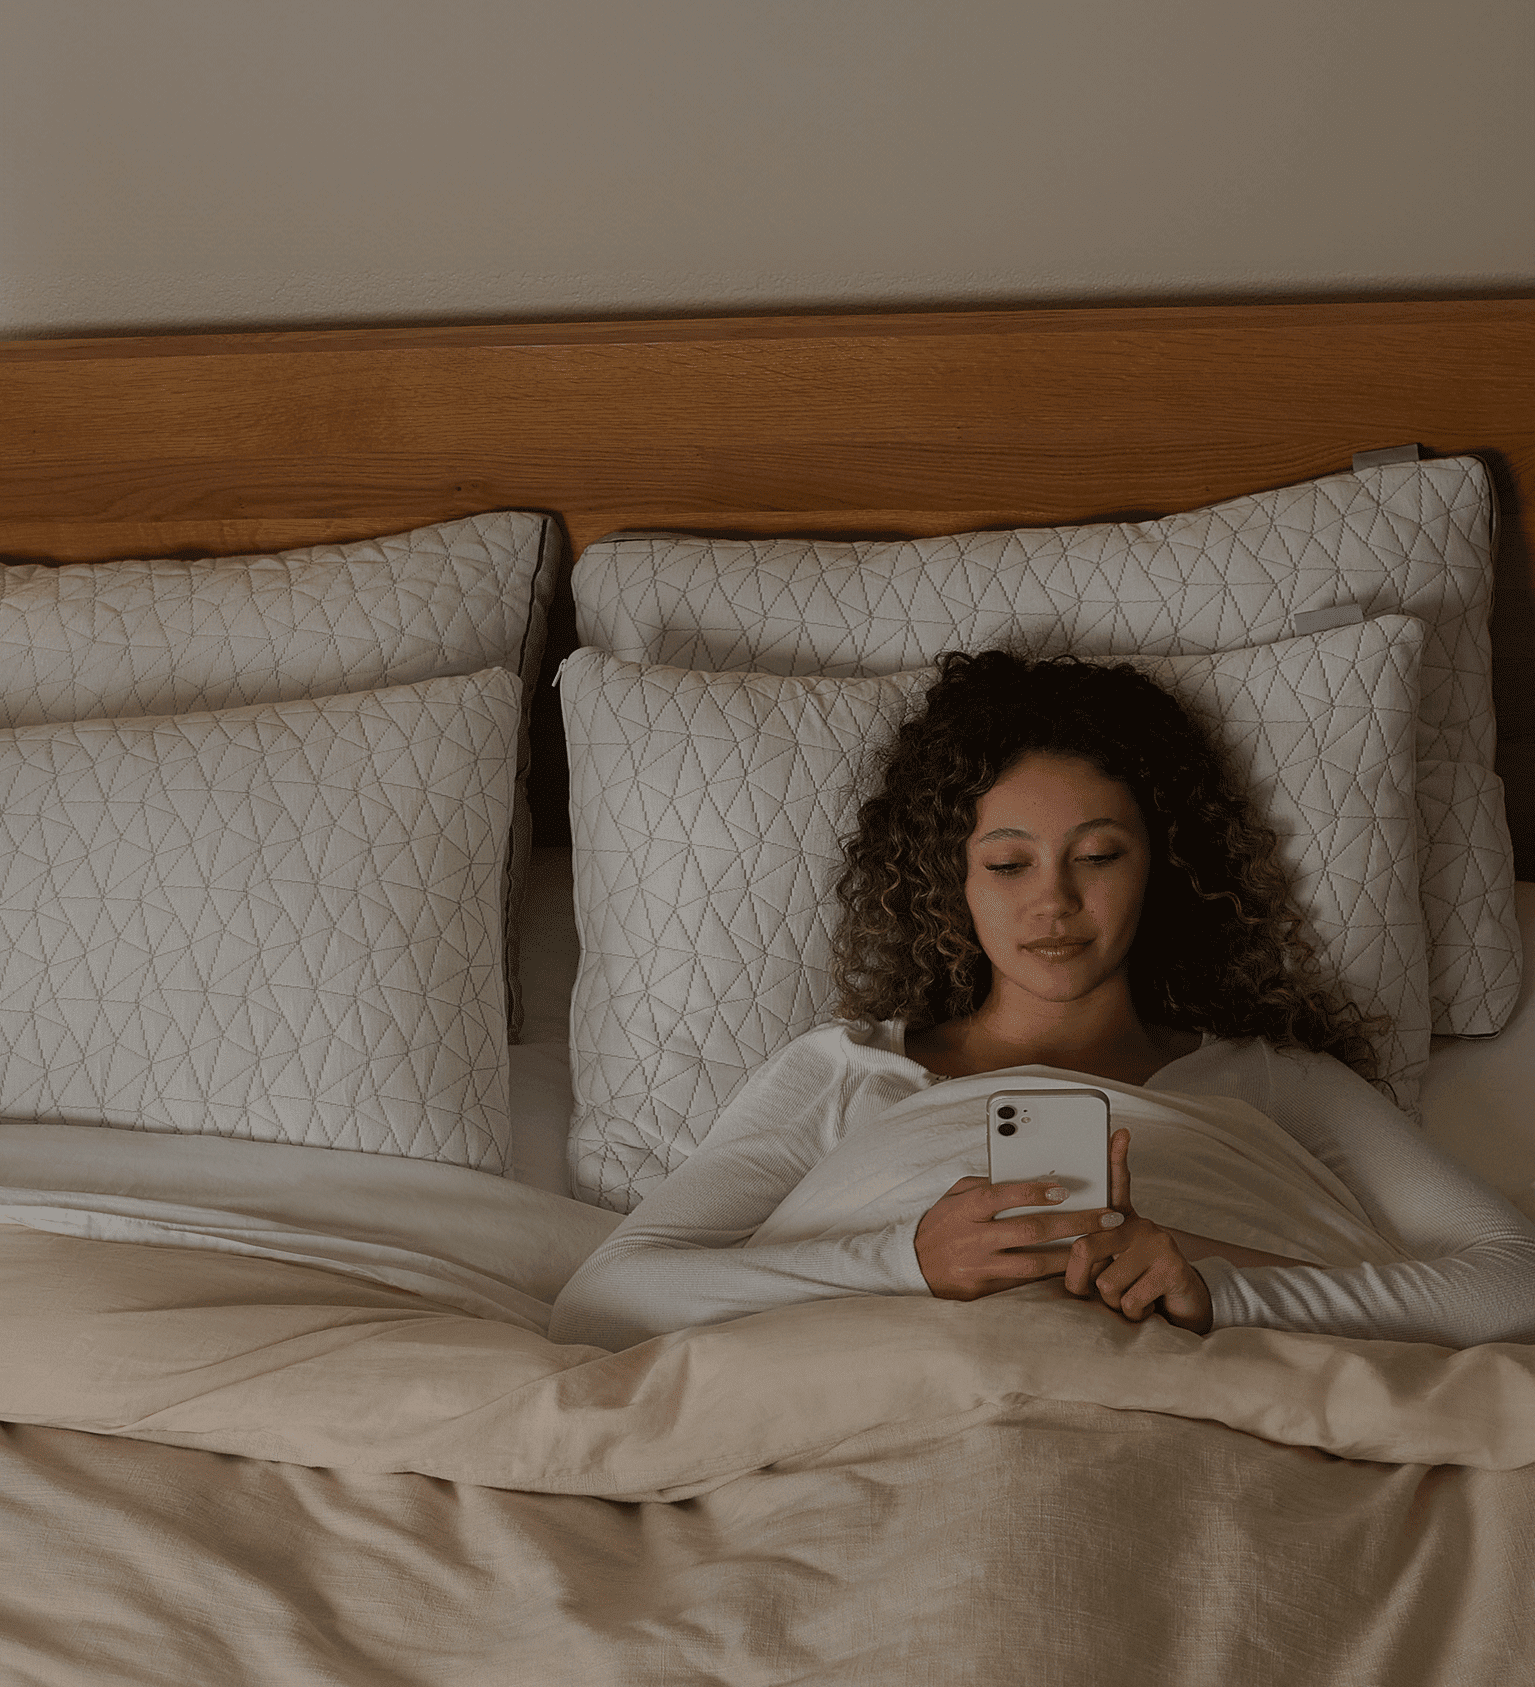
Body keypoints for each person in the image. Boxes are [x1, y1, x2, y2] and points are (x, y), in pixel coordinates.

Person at [549, 650, 1535, 1352]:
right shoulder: (842, 1072)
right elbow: (607, 1296)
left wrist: (1215, 1281)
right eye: (1008, 863)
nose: (1053, 902)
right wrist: (904, 1261)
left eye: (1097, 856)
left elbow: (1507, 1282)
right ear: (953, 881)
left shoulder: (1279, 1083)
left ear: (1160, 868)